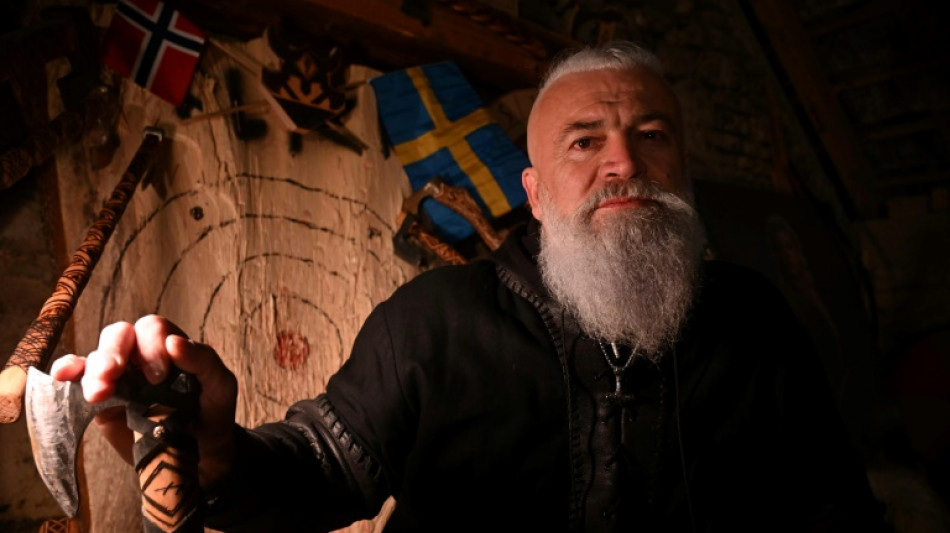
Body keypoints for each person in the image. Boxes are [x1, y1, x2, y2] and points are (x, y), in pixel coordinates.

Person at [52, 41, 887, 532]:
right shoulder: (434, 321)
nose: (623, 161)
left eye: (652, 134)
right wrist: (215, 447)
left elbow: (837, 513)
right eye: (585, 141)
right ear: (535, 192)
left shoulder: (757, 323)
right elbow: (318, 470)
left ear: (683, 170)